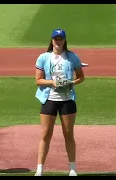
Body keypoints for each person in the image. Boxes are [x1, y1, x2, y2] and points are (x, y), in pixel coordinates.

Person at [34, 28, 85, 176]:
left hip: (67, 100)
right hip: (49, 99)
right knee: (45, 135)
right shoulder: (43, 57)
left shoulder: (72, 57)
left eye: (60, 39)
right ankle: (40, 169)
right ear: (52, 41)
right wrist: (52, 83)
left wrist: (71, 83)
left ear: (64, 41)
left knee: (68, 134)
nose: (58, 41)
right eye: (56, 39)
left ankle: (73, 169)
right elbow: (38, 80)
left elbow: (81, 77)